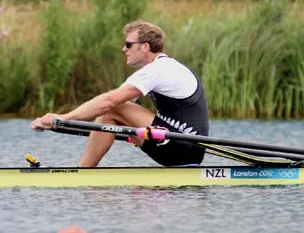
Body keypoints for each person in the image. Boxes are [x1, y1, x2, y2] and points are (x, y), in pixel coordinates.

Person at [30, 20, 209, 167]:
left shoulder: (160, 69)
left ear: (145, 47)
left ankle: (81, 173)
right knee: (110, 114)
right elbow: (108, 105)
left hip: (185, 148)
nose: (124, 49)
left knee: (113, 107)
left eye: (129, 44)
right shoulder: (155, 69)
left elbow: (110, 101)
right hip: (175, 145)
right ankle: (83, 172)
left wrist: (63, 118)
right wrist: (57, 123)